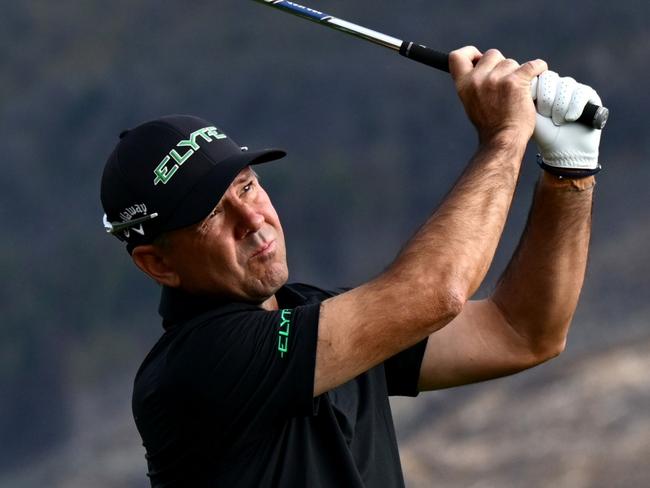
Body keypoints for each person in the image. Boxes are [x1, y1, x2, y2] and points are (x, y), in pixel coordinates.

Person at [100, 46, 603, 487]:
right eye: (213, 214)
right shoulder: (195, 366)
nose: (254, 220)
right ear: (157, 262)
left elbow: (521, 331)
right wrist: (504, 138)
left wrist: (569, 174)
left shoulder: (314, 313)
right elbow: (435, 294)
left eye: (248, 186)